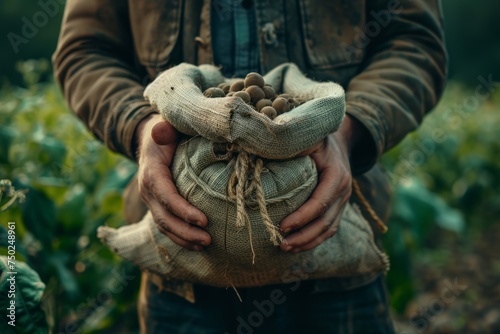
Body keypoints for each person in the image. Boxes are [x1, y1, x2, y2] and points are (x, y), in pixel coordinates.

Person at [53, 0, 447, 332]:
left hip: (332, 263)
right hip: (181, 272)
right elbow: (85, 50)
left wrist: (346, 132)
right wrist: (142, 129)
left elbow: (414, 41)